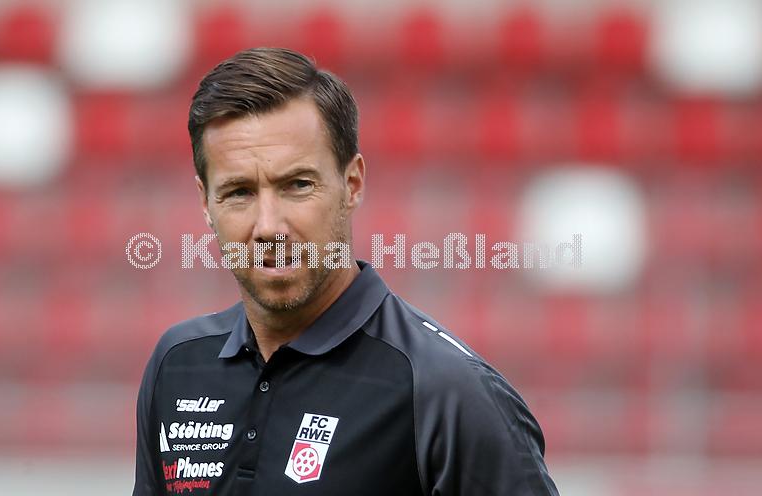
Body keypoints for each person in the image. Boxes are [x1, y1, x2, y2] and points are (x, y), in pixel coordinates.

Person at [133, 47, 559, 496]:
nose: (269, 226)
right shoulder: (178, 365)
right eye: (239, 192)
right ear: (205, 203)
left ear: (351, 184)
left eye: (298, 185)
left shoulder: (446, 390)